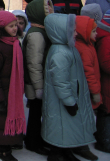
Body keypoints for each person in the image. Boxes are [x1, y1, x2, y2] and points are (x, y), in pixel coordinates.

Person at [42, 13, 96, 161]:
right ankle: (56, 154)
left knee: (66, 128)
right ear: (60, 32)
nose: (76, 33)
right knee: (61, 127)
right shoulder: (60, 53)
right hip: (63, 101)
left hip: (71, 97)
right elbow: (61, 82)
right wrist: (69, 101)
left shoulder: (67, 48)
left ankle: (65, 151)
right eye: (72, 31)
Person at [0, 11, 26, 161]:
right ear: (2, 28)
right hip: (2, 92)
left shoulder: (16, 43)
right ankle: (1, 148)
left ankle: (10, 141)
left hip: (13, 90)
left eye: (16, 25)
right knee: (1, 119)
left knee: (11, 116)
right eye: (11, 26)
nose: (15, 28)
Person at [22, 0, 53, 156]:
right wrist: (39, 87)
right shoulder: (36, 35)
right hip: (35, 84)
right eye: (47, 9)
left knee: (37, 112)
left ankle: (36, 139)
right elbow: (34, 64)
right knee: (35, 113)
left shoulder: (40, 31)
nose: (51, 11)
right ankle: (32, 142)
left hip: (36, 82)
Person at [73, 15, 101, 160]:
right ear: (84, 32)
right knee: (83, 120)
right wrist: (95, 91)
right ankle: (81, 146)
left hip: (86, 91)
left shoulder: (88, 44)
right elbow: (88, 72)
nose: (96, 34)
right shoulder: (82, 48)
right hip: (85, 92)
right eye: (93, 31)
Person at [95, 9, 110, 153]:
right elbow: (105, 62)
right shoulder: (106, 39)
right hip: (106, 84)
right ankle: (104, 140)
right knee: (106, 112)